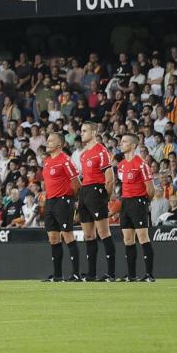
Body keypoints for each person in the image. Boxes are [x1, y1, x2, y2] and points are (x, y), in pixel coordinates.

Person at [74, 121, 117, 282]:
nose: (81, 133)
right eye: (81, 131)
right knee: (88, 235)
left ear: (93, 133)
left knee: (104, 233)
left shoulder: (101, 151)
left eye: (84, 131)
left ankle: (111, 273)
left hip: (97, 191)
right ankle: (91, 274)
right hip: (85, 192)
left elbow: (110, 178)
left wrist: (105, 197)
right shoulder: (83, 154)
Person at [116, 133, 156, 282]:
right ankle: (131, 275)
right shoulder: (121, 165)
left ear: (133, 146)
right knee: (128, 239)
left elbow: (150, 189)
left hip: (138, 202)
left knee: (143, 237)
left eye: (124, 142)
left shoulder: (141, 164)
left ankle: (149, 274)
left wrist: (144, 203)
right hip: (125, 202)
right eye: (121, 141)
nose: (121, 144)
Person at [38, 130, 78, 282]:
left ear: (59, 144)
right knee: (53, 238)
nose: (47, 143)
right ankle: (57, 275)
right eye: (47, 140)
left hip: (63, 200)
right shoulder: (47, 161)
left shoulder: (65, 160)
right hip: (50, 201)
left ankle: (75, 274)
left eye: (50, 140)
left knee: (67, 235)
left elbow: (76, 183)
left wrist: (72, 199)